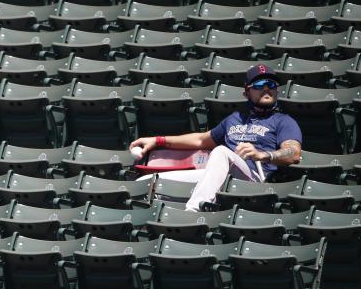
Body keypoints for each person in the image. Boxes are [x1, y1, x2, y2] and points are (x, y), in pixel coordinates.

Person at [129, 64, 303, 212]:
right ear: (246, 93)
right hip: (219, 174)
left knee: (221, 151)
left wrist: (262, 154)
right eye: (259, 84)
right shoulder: (234, 118)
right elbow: (201, 140)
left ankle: (194, 211)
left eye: (271, 84)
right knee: (148, 182)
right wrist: (157, 141)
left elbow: (294, 154)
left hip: (254, 179)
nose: (266, 88)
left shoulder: (283, 121)